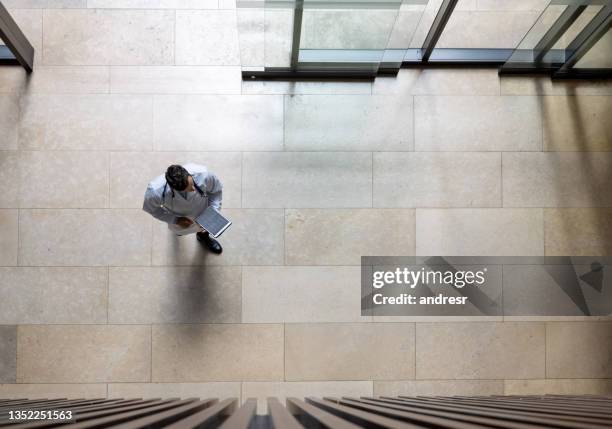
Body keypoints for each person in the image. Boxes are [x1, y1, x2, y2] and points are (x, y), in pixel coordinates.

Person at [143, 164, 223, 254]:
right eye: (187, 189)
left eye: (192, 184)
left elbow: (216, 191)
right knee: (180, 232)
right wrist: (175, 220)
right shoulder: (155, 192)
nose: (193, 189)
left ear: (188, 174)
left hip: (203, 213)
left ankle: (203, 237)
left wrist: (213, 212)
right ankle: (179, 233)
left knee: (204, 230)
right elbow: (152, 209)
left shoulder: (203, 174)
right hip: (179, 220)